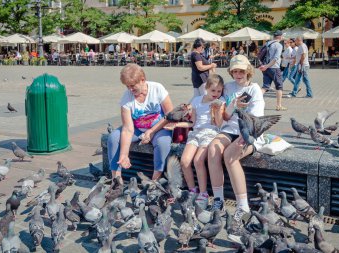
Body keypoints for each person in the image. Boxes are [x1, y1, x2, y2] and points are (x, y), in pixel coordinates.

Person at [207, 54, 265, 244]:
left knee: (230, 155)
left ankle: (243, 207)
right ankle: (218, 201)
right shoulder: (230, 87)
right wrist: (233, 105)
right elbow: (225, 116)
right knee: (214, 149)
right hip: (230, 128)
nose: (238, 74)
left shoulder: (254, 89)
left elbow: (257, 119)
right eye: (234, 71)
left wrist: (244, 133)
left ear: (248, 70)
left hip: (249, 132)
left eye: (241, 70)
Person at [165, 74, 226, 210]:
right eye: (213, 90)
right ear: (206, 89)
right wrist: (176, 125)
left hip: (210, 134)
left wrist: (216, 110)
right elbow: (192, 123)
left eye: (219, 91)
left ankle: (203, 193)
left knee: (198, 160)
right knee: (185, 161)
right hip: (196, 133)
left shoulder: (220, 102)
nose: (216, 94)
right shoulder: (197, 100)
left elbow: (219, 123)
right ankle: (193, 190)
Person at [107, 64, 174, 183]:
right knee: (113, 137)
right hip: (137, 128)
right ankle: (116, 180)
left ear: (142, 80)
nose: (130, 90)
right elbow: (128, 129)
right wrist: (124, 155)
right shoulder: (126, 98)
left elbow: (170, 115)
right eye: (127, 86)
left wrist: (152, 131)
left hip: (160, 127)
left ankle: (155, 181)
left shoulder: (157, 88)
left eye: (133, 86)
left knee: (163, 142)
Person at [259, 30, 286, 111]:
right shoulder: (278, 45)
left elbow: (261, 55)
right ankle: (279, 106)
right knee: (279, 86)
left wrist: (264, 66)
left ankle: (253, 101)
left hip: (265, 68)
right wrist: (267, 66)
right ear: (280, 36)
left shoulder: (267, 43)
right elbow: (275, 58)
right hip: (274, 68)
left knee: (265, 87)